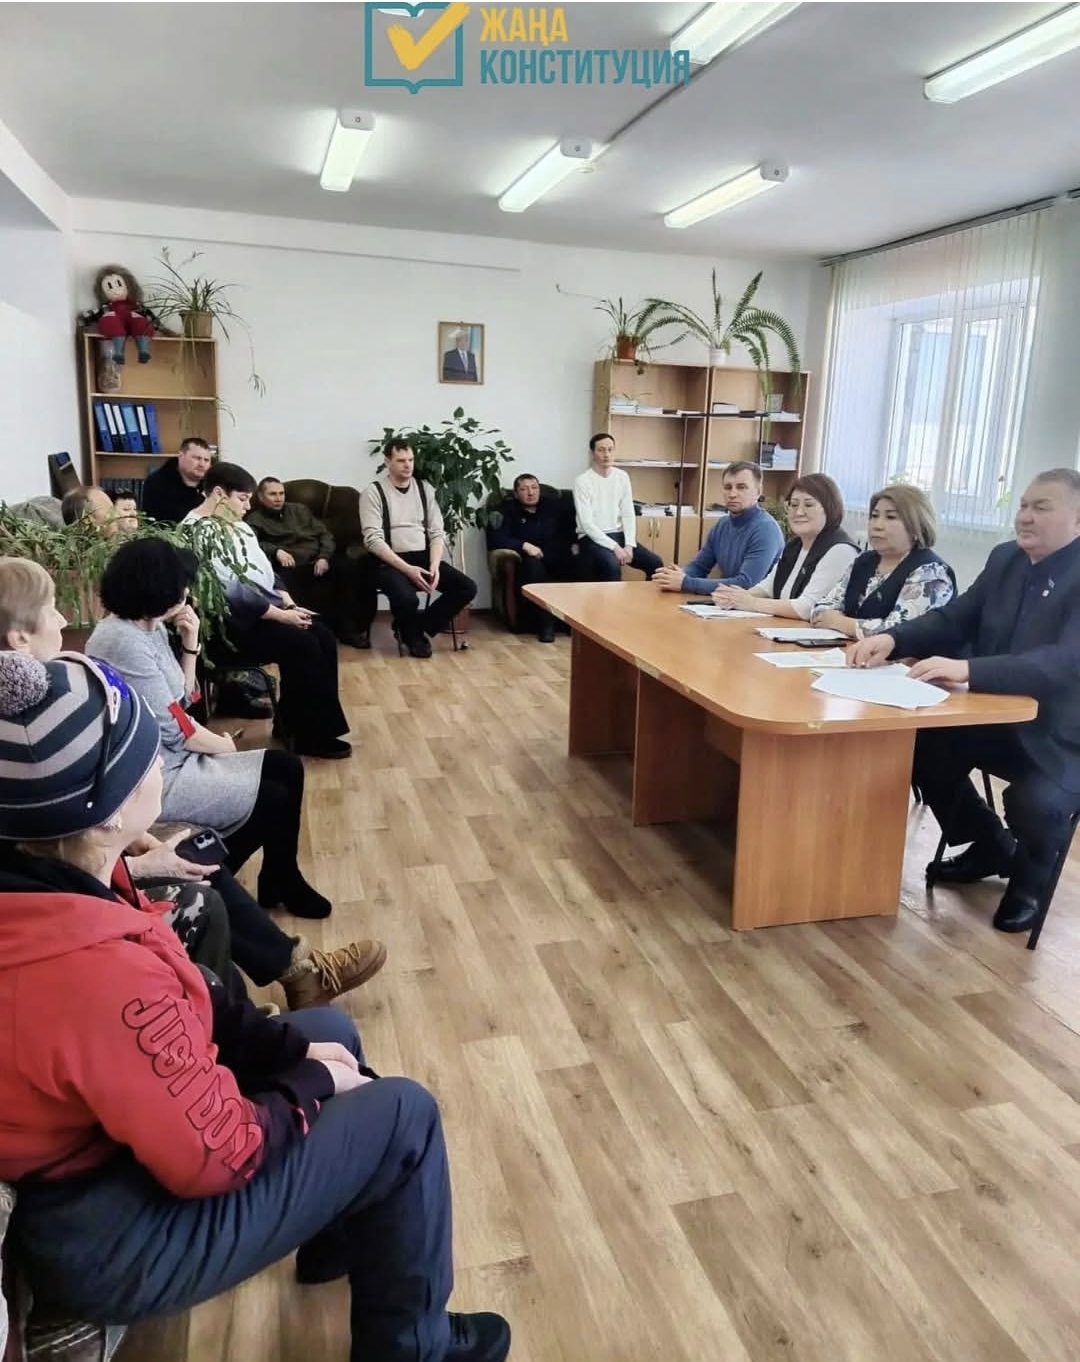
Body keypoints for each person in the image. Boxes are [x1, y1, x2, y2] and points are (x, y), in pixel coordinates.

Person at [0, 650, 511, 1362]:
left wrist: (293, 1053)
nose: (159, 763)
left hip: (105, 1166)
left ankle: (337, 1226)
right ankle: (412, 1348)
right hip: (113, 1233)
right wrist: (308, 1083)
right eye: (145, 755)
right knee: (407, 1115)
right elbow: (219, 1153)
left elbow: (192, 1011)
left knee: (327, 1028)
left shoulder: (53, 884)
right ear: (108, 811)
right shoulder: (91, 971)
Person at [0, 554, 381, 1005]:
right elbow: (52, 852)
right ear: (19, 637)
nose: (64, 619)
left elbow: (183, 701)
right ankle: (280, 978)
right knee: (210, 872)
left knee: (271, 784)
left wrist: (191, 644)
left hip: (130, 800)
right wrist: (135, 857)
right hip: (152, 783)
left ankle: (287, 930)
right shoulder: (66, 693)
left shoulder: (89, 669)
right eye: (51, 609)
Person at [849, 468, 1080, 935]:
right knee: (921, 745)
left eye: (1041, 507)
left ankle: (1031, 879)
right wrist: (893, 639)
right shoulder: (1005, 558)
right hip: (996, 717)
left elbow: (1065, 661)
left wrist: (970, 670)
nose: (1025, 516)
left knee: (1034, 801)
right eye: (1023, 505)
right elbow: (955, 617)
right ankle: (989, 843)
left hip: (1062, 734)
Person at [183, 463, 352, 759]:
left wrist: (288, 602)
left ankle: (296, 725)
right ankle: (307, 735)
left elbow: (266, 571)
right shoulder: (197, 530)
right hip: (230, 626)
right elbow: (230, 592)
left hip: (263, 612)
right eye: (243, 499)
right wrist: (281, 615)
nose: (248, 507)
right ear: (219, 494)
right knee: (302, 644)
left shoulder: (238, 524)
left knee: (323, 635)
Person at [360, 440, 478, 659]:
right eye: (401, 461)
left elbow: (437, 531)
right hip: (388, 561)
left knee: (466, 587)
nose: (408, 465)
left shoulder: (425, 489)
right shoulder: (373, 493)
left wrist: (435, 564)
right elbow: (373, 540)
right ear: (387, 462)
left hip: (422, 556)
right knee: (408, 599)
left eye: (411, 460)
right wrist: (407, 569)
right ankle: (413, 636)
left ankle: (414, 628)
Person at [247, 476, 375, 651]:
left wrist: (324, 556)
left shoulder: (299, 510)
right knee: (282, 581)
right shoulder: (254, 519)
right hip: (291, 564)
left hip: (318, 558)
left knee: (349, 569)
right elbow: (251, 543)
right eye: (273, 494)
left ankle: (349, 631)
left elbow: (325, 534)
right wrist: (275, 551)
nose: (278, 498)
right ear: (261, 497)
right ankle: (304, 632)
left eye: (281, 493)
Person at [811, 483, 955, 637]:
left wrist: (840, 623)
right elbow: (821, 608)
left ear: (916, 526)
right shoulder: (864, 561)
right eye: (874, 516)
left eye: (890, 517)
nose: (877, 525)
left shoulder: (931, 572)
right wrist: (829, 617)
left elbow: (900, 632)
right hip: (849, 648)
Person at [711, 472, 858, 618]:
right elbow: (767, 588)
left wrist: (750, 602)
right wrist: (733, 597)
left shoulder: (840, 550)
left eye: (808, 505)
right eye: (793, 505)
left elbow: (806, 608)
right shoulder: (795, 545)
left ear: (830, 508)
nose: (798, 512)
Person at [654, 461, 784, 597]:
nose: (732, 494)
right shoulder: (722, 524)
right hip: (727, 602)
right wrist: (676, 576)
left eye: (741, 487)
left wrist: (686, 582)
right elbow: (699, 566)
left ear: (758, 491)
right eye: (728, 487)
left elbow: (745, 584)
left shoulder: (766, 529)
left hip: (756, 605)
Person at [489, 473, 573, 642]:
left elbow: (571, 530)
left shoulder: (553, 507)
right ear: (515, 493)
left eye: (534, 488)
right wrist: (524, 545)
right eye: (524, 489)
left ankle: (580, 626)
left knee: (584, 562)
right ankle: (546, 626)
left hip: (557, 557)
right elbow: (498, 537)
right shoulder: (507, 510)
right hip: (528, 562)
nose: (530, 492)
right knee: (534, 567)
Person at [573, 433, 662, 582]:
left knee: (655, 564)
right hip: (592, 538)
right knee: (612, 566)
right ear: (592, 454)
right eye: (601, 450)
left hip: (619, 534)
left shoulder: (622, 476)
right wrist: (615, 548)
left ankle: (647, 597)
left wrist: (629, 544)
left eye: (610, 449)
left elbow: (628, 513)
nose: (606, 454)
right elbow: (587, 524)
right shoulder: (582, 481)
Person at [141, 436, 213, 524]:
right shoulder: (158, 483)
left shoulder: (214, 485)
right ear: (181, 456)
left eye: (206, 460)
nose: (202, 464)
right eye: (197, 458)